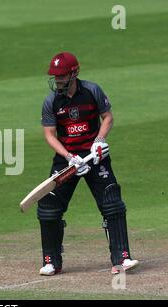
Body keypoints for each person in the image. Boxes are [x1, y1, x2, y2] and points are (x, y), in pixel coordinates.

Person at [38, 52, 138, 275]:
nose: (58, 81)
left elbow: (108, 118)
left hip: (94, 155)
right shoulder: (51, 101)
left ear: (75, 73)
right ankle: (51, 261)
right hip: (67, 159)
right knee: (48, 207)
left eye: (62, 76)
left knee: (111, 203)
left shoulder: (92, 91)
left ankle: (121, 259)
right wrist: (68, 157)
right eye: (56, 77)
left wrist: (99, 142)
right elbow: (49, 135)